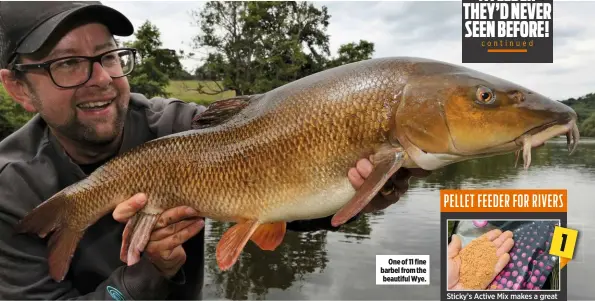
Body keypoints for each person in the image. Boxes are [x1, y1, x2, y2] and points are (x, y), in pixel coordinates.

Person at [0, 1, 431, 300]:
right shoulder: (9, 189)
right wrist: (149, 274)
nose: (100, 78)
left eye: (108, 56)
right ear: (17, 87)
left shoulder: (178, 127)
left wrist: (373, 192)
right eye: (67, 64)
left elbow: (288, 194)